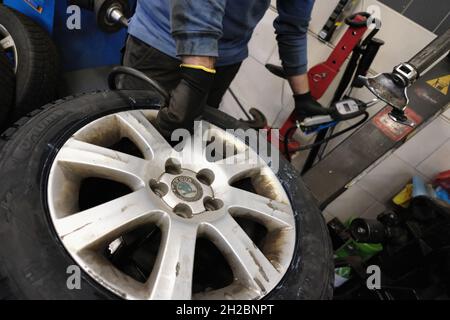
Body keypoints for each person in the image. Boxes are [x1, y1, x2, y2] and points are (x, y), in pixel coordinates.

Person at [121, 0, 329, 138]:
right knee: (133, 137)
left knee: (186, 141)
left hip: (224, 58)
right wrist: (197, 76)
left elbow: (293, 26)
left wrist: (303, 97)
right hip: (161, 41)